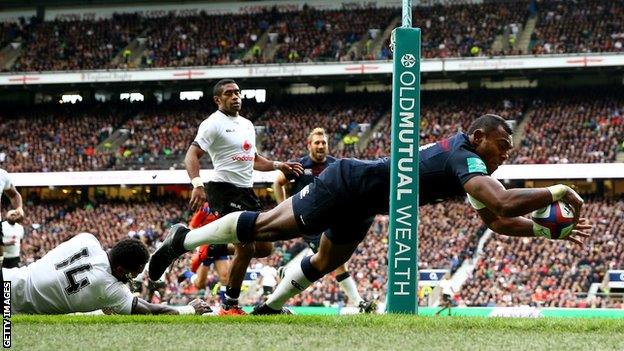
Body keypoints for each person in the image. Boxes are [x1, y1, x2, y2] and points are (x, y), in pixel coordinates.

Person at [150, 114, 592, 314]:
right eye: (503, 148)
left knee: (325, 262)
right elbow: (501, 203)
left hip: (365, 204)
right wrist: (557, 190)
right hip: (348, 184)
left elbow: (496, 220)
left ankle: (268, 309)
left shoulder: (467, 160)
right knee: (266, 228)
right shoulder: (465, 158)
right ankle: (181, 240)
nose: (505, 157)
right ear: (479, 138)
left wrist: (546, 231)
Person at [184, 78, 303, 315]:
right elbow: (191, 155)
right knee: (246, 247)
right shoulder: (213, 124)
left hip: (246, 191)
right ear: (218, 99)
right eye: (229, 93)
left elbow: (254, 159)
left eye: (238, 92)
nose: (236, 96)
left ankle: (217, 247)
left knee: (265, 247)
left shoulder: (247, 124)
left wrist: (280, 165)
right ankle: (229, 305)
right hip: (223, 189)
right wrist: (197, 184)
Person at [272, 127, 375, 313]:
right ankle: (360, 303)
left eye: (324, 143)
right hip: (311, 223)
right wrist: (284, 208)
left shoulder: (336, 165)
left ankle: (288, 271)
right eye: (317, 143)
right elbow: (278, 181)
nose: (321, 146)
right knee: (334, 261)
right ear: (309, 145)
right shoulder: (299, 166)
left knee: (331, 262)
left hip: (332, 220)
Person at [2, 233, 211, 315]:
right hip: (13, 305)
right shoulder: (110, 289)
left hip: (9, 278)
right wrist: (188, 310)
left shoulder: (87, 239)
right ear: (120, 269)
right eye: (133, 272)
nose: (133, 278)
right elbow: (149, 310)